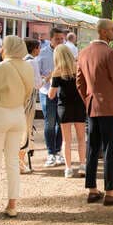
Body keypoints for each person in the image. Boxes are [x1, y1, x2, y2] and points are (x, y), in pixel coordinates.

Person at [0, 35, 35, 219]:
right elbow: (29, 92)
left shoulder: (0, 67)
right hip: (18, 113)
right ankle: (12, 205)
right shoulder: (28, 67)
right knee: (12, 161)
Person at [77, 19, 113, 206]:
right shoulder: (110, 53)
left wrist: (88, 100)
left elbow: (79, 83)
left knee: (92, 148)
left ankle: (92, 189)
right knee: (109, 149)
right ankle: (110, 191)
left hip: (92, 105)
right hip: (109, 106)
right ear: (104, 32)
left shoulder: (83, 53)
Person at [49, 44, 86, 178]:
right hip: (79, 105)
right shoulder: (79, 68)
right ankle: (83, 165)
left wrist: (50, 83)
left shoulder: (58, 72)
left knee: (67, 140)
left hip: (64, 106)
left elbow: (51, 95)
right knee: (81, 138)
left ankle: (68, 168)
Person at [38, 27, 65, 167]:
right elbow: (37, 73)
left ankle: (58, 151)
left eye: (62, 39)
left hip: (63, 93)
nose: (60, 41)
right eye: (57, 39)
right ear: (51, 39)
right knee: (49, 123)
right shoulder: (42, 53)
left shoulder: (67, 52)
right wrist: (48, 76)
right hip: (46, 92)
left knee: (61, 124)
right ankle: (50, 153)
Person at [18, 39, 41, 175]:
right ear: (35, 48)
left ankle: (20, 161)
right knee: (26, 129)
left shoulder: (21, 61)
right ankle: (20, 162)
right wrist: (48, 77)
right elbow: (37, 84)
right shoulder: (32, 62)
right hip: (29, 98)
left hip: (19, 98)